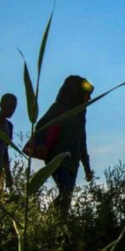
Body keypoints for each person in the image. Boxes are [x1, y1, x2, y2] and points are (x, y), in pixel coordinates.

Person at [35, 75, 94, 213]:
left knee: (67, 195)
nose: (89, 98)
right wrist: (40, 143)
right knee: (65, 190)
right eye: (86, 94)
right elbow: (40, 127)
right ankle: (52, 218)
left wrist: (87, 168)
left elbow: (82, 143)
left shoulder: (80, 116)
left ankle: (60, 219)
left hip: (73, 163)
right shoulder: (58, 109)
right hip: (57, 158)